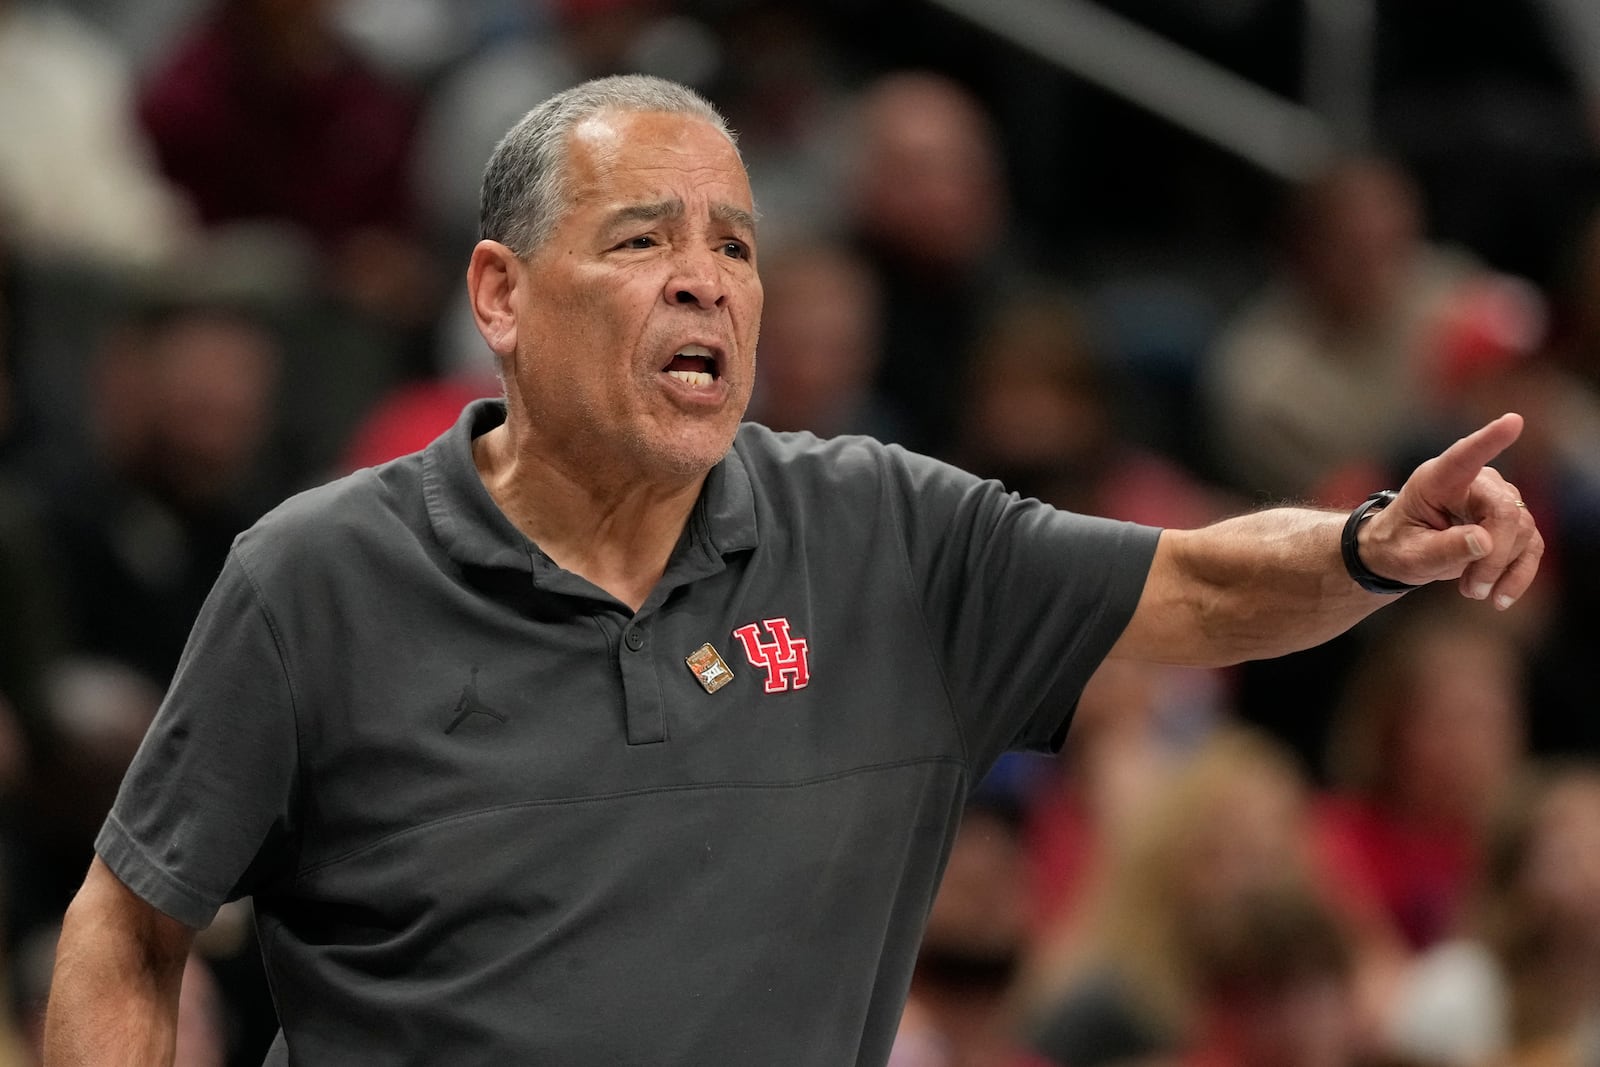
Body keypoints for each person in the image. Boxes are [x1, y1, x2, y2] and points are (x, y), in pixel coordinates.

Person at [43, 75, 1542, 1066]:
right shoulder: (317, 578)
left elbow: (1208, 584)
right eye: (643, 239)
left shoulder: (883, 535)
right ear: (499, 296)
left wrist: (1367, 547)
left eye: (738, 246)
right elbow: (130, 919)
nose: (707, 278)